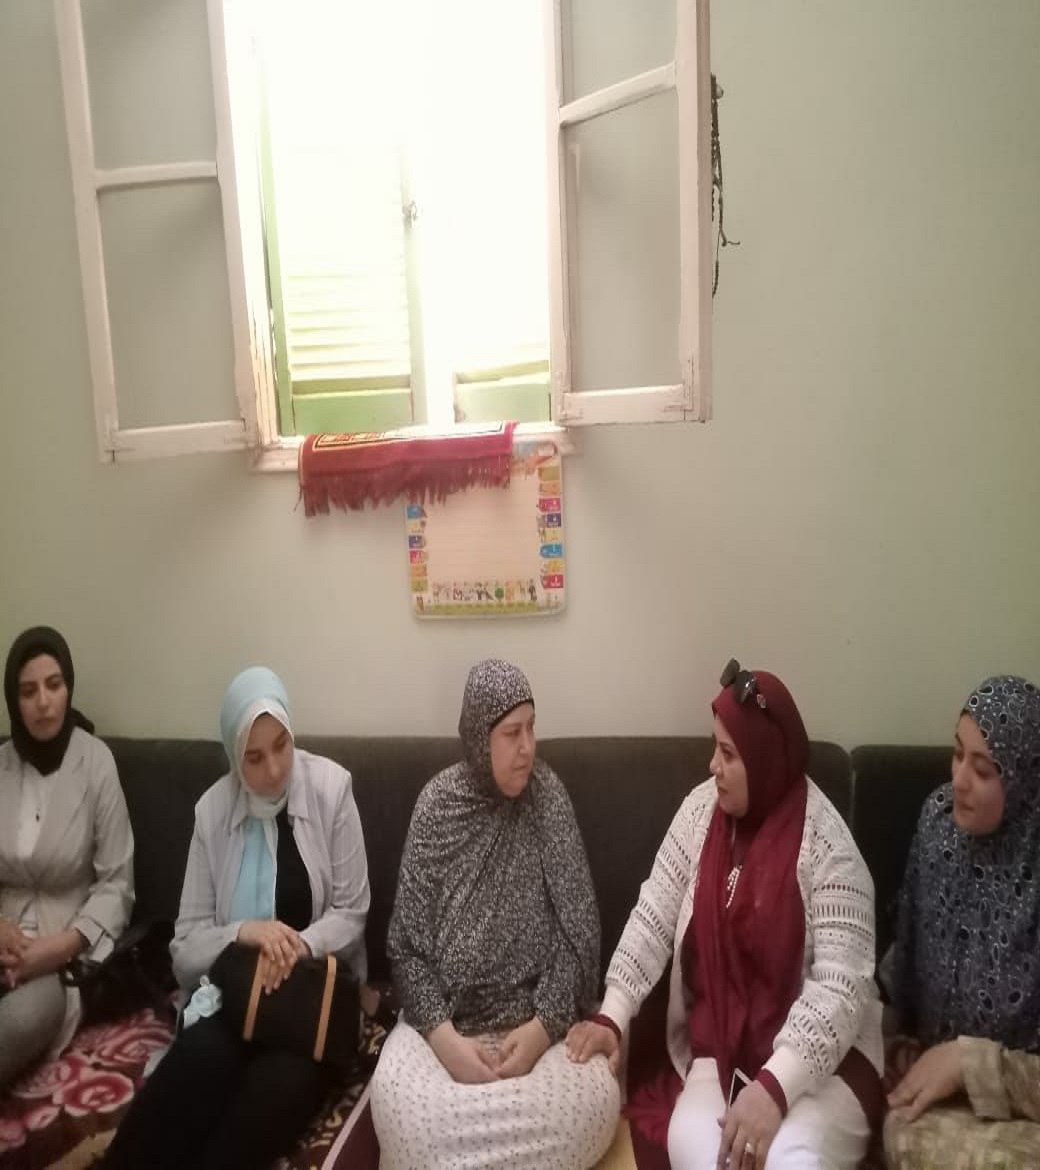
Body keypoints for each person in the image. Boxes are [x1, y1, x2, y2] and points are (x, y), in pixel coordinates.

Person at [567, 660, 883, 1170]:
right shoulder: (699, 812)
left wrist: (775, 1086)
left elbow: (841, 990)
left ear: (764, 759)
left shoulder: (830, 848)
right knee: (697, 1149)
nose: (712, 765)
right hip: (721, 1051)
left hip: (823, 1067)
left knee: (789, 1162)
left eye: (729, 754)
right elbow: (653, 914)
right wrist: (613, 1015)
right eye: (715, 747)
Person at [105, 666, 370, 1169]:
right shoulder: (212, 813)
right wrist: (247, 933)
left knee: (269, 1098)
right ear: (232, 756)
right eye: (254, 756)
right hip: (234, 999)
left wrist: (296, 946)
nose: (274, 769)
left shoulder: (332, 789)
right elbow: (185, 947)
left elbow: (352, 913)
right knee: (194, 1067)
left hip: (308, 1005)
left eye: (282, 746)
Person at [370, 659, 619, 1169]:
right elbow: (407, 949)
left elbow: (578, 934)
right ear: (479, 739)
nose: (527, 747)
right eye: (511, 733)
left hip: (538, 1030)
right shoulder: (437, 805)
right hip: (444, 1026)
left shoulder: (547, 797)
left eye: (532, 728)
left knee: (593, 1106)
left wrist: (542, 1029)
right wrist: (446, 1043)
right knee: (398, 1108)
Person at [882, 675, 1040, 1169]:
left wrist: (972, 1065)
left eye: (984, 770)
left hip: (1025, 1109)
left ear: (1024, 782)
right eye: (956, 755)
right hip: (934, 1104)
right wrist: (896, 1041)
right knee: (902, 1130)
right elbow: (904, 957)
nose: (960, 781)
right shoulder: (938, 824)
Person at [0, 625, 134, 1089]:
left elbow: (118, 884)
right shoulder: (0, 766)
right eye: (28, 691)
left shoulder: (96, 762)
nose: (43, 702)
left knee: (19, 1022)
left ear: (68, 687)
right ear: (14, 701)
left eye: (53, 685)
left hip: (59, 954)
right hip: (3, 937)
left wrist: (54, 950)